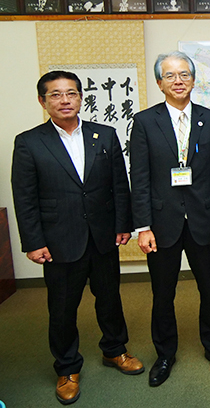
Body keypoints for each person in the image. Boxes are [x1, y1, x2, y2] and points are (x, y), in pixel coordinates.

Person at [11, 71, 144, 406]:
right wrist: (33, 242)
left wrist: (123, 224)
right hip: (58, 240)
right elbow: (24, 197)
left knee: (110, 298)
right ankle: (67, 367)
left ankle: (115, 350)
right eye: (55, 95)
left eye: (71, 93)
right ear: (42, 101)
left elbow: (119, 185)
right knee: (62, 309)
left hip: (102, 236)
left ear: (81, 97)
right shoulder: (29, 142)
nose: (65, 100)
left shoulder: (105, 135)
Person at [130, 51, 210, 387]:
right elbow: (140, 178)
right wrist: (143, 226)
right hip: (161, 225)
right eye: (170, 75)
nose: (178, 81)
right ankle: (164, 354)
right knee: (163, 293)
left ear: (193, 79)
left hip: (204, 219)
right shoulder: (145, 122)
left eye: (184, 74)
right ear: (159, 82)